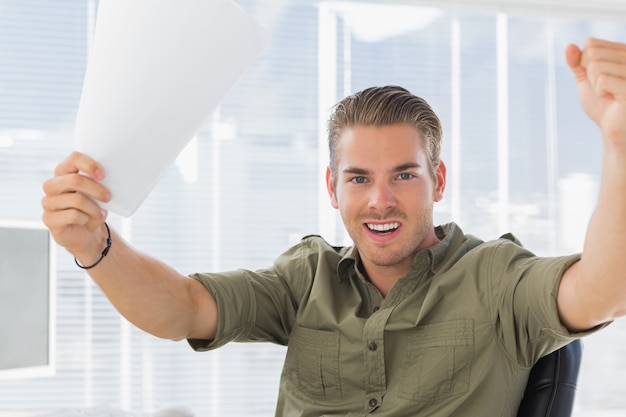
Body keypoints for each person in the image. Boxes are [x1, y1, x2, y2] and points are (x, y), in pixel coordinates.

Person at [41, 37, 626, 416]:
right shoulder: (304, 278)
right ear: (331, 188)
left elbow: (602, 291)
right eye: (358, 179)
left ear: (438, 181)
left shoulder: (495, 277)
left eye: (403, 175)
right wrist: (97, 245)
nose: (380, 201)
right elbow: (185, 308)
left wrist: (620, 148)